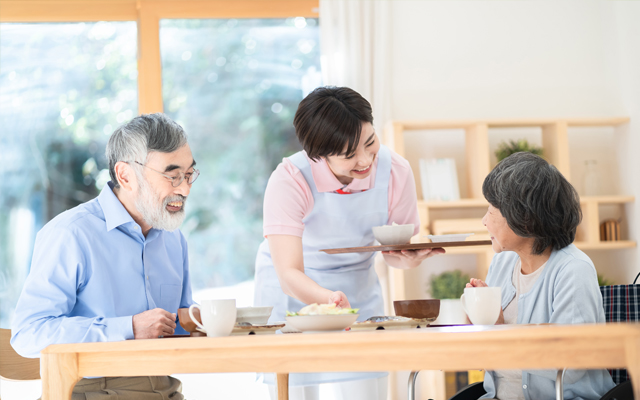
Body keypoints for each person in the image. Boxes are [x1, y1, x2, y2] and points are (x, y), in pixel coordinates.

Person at [254, 86, 444, 400]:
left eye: (370, 142)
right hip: (296, 293)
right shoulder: (290, 180)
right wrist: (328, 300)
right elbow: (288, 272)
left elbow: (393, 254)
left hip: (357, 286)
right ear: (318, 155)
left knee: (366, 387)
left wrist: (411, 257)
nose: (366, 159)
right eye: (349, 154)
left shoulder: (396, 171)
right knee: (296, 388)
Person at [11, 113, 199, 400]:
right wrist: (128, 327)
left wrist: (200, 321)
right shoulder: (71, 234)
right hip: (92, 391)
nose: (184, 189)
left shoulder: (173, 239)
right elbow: (29, 333)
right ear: (125, 175)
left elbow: (176, 324)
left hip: (165, 387)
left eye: (188, 175)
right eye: (172, 176)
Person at [465, 152, 615, 400]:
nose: (484, 220)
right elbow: (488, 356)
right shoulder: (502, 263)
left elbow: (571, 364)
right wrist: (480, 327)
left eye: (492, 210)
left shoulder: (573, 270)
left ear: (525, 218)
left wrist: (499, 333)